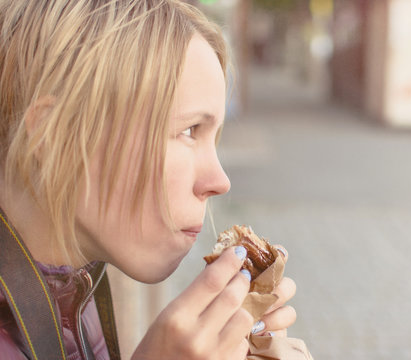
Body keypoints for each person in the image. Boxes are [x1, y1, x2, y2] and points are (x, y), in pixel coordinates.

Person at [0, 0, 297, 359]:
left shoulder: (74, 292)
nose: (220, 181)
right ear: (52, 135)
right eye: (189, 130)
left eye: (213, 138)